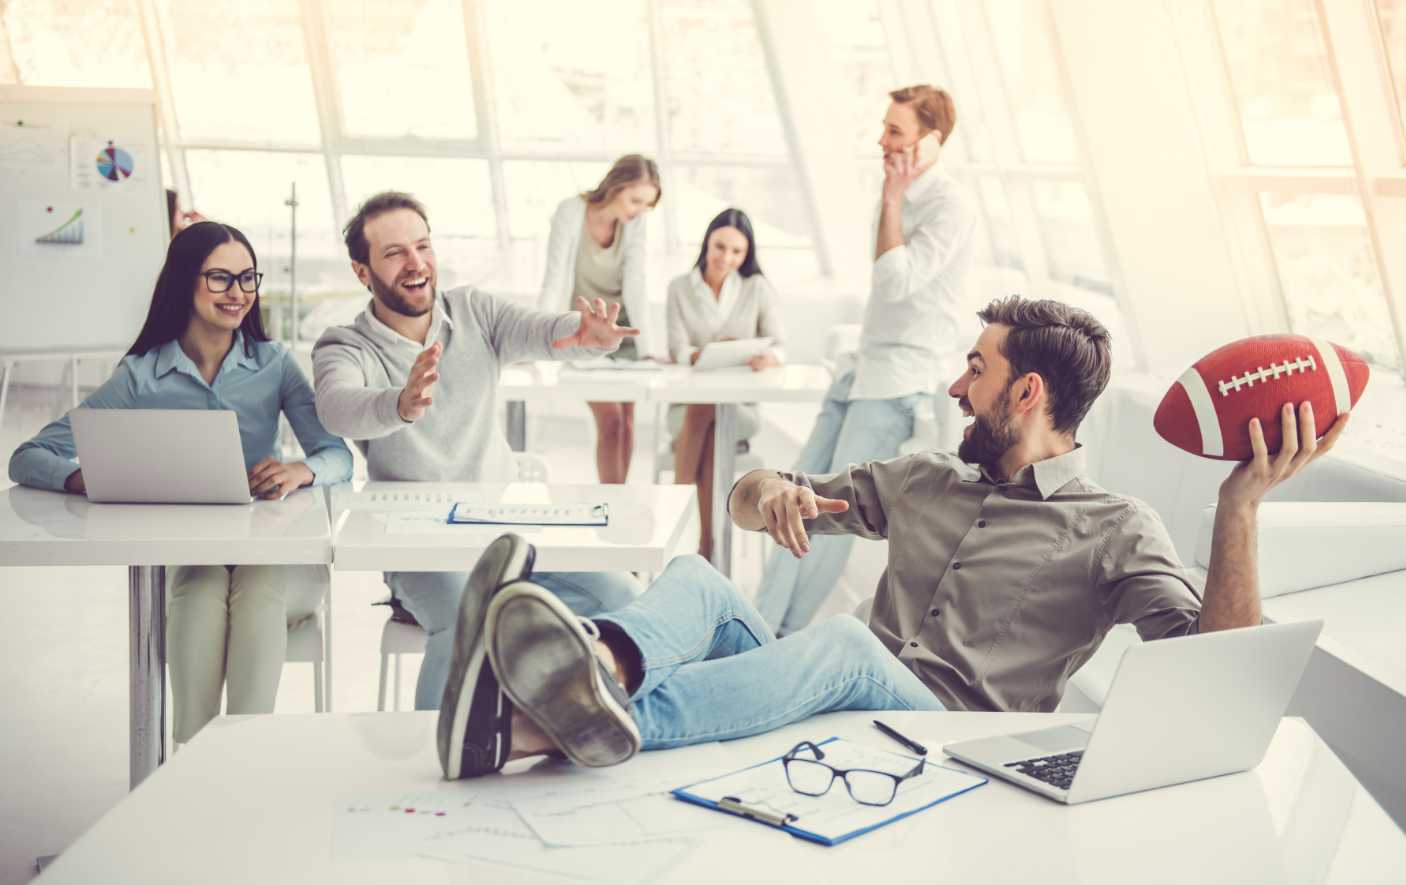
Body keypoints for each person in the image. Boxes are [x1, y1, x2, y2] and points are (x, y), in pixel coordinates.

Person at [436, 295, 1349, 776]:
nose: (956, 384)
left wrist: (1239, 509)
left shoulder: (1115, 527)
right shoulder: (926, 475)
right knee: (701, 578)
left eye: (976, 367)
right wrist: (766, 492)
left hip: (954, 741)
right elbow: (762, 498)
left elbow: (1214, 674)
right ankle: (586, 672)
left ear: (1026, 393)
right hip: (851, 699)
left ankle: (549, 721)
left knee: (836, 639)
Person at [8, 221, 353, 743]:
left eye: (246, 278)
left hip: (275, 559)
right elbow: (28, 457)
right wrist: (83, 477)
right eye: (219, 278)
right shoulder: (141, 376)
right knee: (199, 590)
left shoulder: (275, 365)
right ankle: (193, 763)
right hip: (195, 558)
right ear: (183, 283)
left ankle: (241, 757)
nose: (237, 293)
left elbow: (336, 456)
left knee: (259, 589)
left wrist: (302, 469)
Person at [312, 191, 642, 713]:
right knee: (472, 612)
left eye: (423, 246)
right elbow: (336, 407)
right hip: (414, 545)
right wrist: (398, 404)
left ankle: (603, 726)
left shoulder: (473, 311)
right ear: (362, 271)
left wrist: (582, 335)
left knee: (624, 596)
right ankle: (434, 759)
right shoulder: (346, 345)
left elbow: (540, 329)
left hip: (502, 528)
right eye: (395, 253)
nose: (416, 263)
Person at [756, 84, 977, 636]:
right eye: (884, 128)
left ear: (932, 140)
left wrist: (893, 199)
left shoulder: (949, 205)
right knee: (789, 494)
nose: (882, 140)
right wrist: (893, 197)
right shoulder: (899, 194)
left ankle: (779, 635)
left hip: (899, 380)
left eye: (895, 131)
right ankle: (754, 621)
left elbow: (893, 279)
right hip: (862, 369)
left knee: (830, 514)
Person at [665, 208, 785, 560]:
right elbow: (676, 348)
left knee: (711, 410)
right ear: (707, 243)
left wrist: (767, 357)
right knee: (704, 409)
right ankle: (709, 548)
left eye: (737, 251)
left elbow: (779, 343)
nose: (726, 258)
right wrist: (709, 353)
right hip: (684, 410)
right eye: (720, 247)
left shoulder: (757, 287)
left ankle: (675, 509)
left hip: (740, 410)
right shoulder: (680, 287)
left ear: (747, 254)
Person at [537, 155, 661, 484]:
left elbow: (636, 285)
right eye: (635, 200)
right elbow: (554, 278)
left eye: (646, 204)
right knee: (611, 421)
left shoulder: (635, 223)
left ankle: (620, 500)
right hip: (586, 334)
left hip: (623, 333)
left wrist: (648, 348)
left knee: (628, 421)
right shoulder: (570, 212)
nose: (638, 210)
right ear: (616, 187)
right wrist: (537, 337)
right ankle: (611, 505)